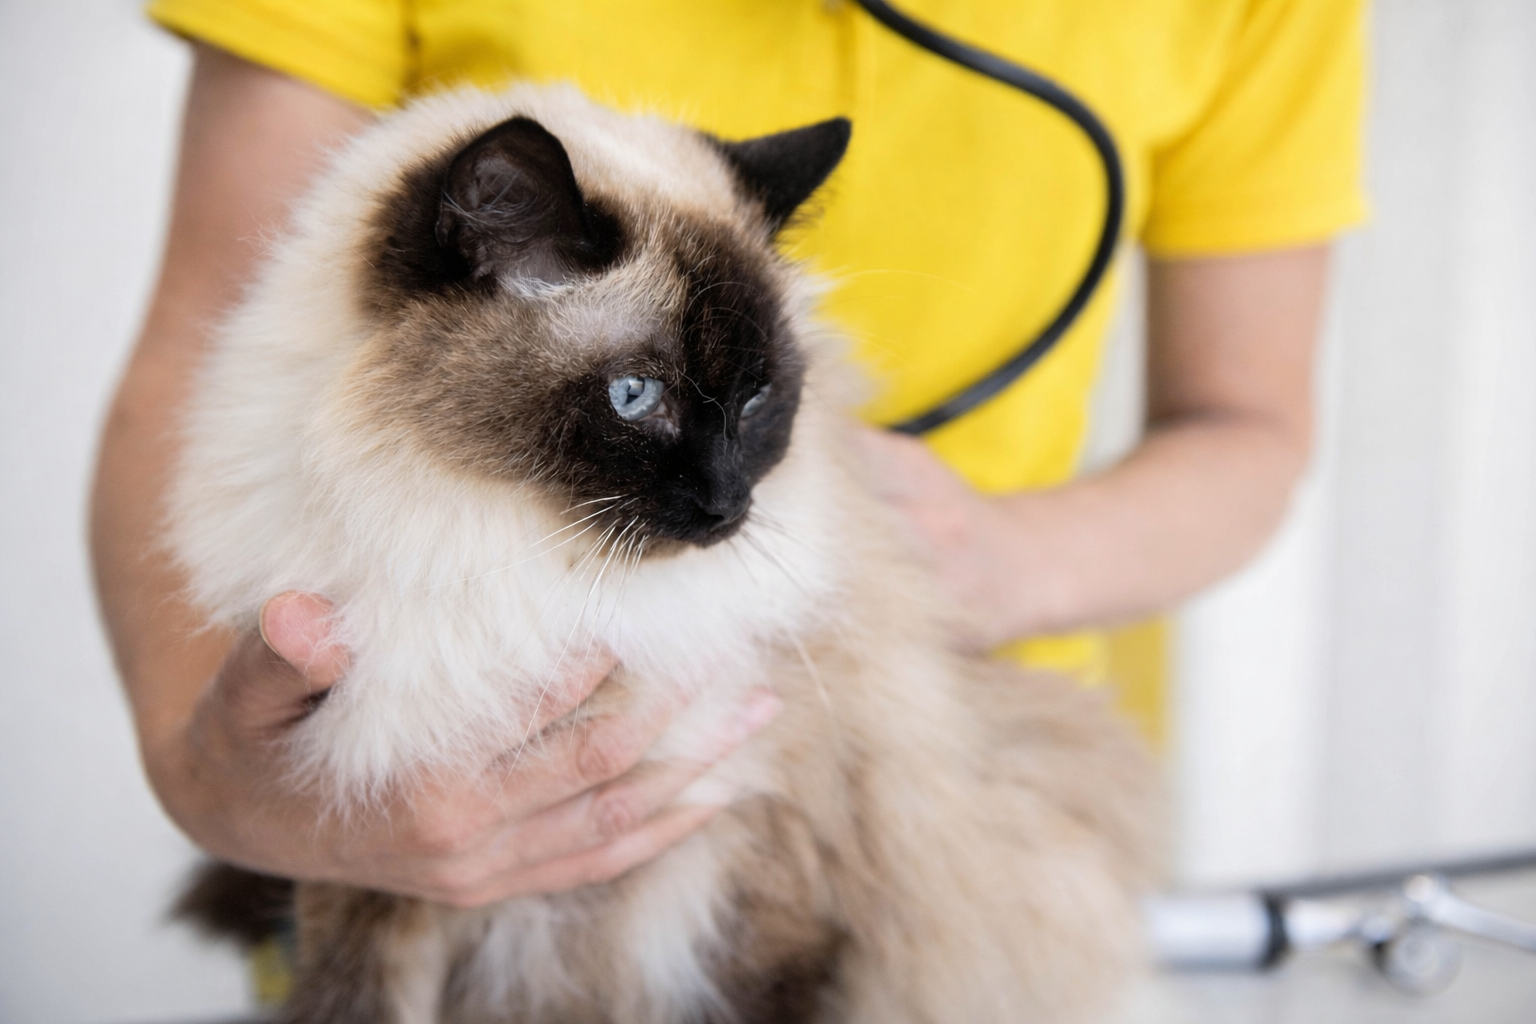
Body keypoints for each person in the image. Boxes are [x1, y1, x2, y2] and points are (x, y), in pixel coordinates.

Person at [93, 0, 1365, 910]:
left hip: (905, 749)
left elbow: (1250, 426)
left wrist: (994, 561)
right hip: (416, 777)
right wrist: (208, 778)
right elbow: (203, 346)